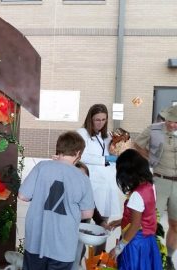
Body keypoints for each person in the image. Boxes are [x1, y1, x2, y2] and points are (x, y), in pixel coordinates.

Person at [18, 131, 95, 270]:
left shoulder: (42, 167)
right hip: (63, 246)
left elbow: (23, 196)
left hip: (36, 240)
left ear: (59, 148)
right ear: (78, 153)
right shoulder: (82, 178)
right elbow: (88, 213)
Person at [133, 105, 177, 270]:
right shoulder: (154, 129)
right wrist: (150, 158)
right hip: (160, 180)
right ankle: (150, 256)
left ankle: (169, 259)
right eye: (170, 121)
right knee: (151, 222)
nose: (172, 125)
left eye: (176, 122)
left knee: (175, 225)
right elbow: (137, 144)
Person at [77, 104, 123, 254]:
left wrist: (119, 143)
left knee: (103, 226)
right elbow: (81, 155)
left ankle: (98, 260)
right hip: (91, 185)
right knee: (84, 225)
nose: (100, 123)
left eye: (103, 119)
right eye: (97, 120)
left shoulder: (106, 136)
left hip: (107, 185)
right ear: (90, 119)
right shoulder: (82, 133)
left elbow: (115, 152)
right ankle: (77, 257)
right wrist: (106, 159)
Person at [108, 149, 163, 270]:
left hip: (134, 244)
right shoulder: (150, 186)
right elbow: (143, 215)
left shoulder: (136, 196)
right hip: (148, 241)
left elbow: (135, 225)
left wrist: (118, 248)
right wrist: (119, 222)